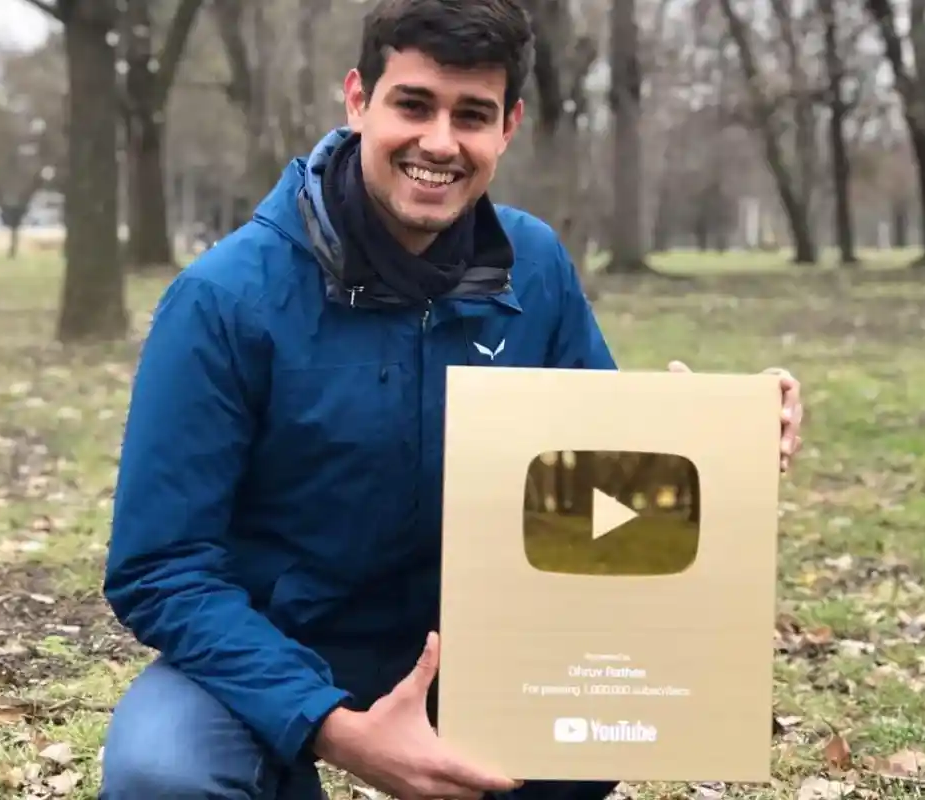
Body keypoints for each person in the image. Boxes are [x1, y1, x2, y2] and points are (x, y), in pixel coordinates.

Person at [98, 1, 805, 798]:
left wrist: (711, 448)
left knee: (586, 730)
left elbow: (595, 492)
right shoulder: (224, 298)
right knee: (165, 773)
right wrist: (333, 723)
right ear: (359, 99)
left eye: (471, 115)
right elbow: (159, 569)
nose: (439, 143)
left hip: (479, 639)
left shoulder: (533, 265)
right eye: (413, 104)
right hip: (274, 636)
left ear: (508, 126)